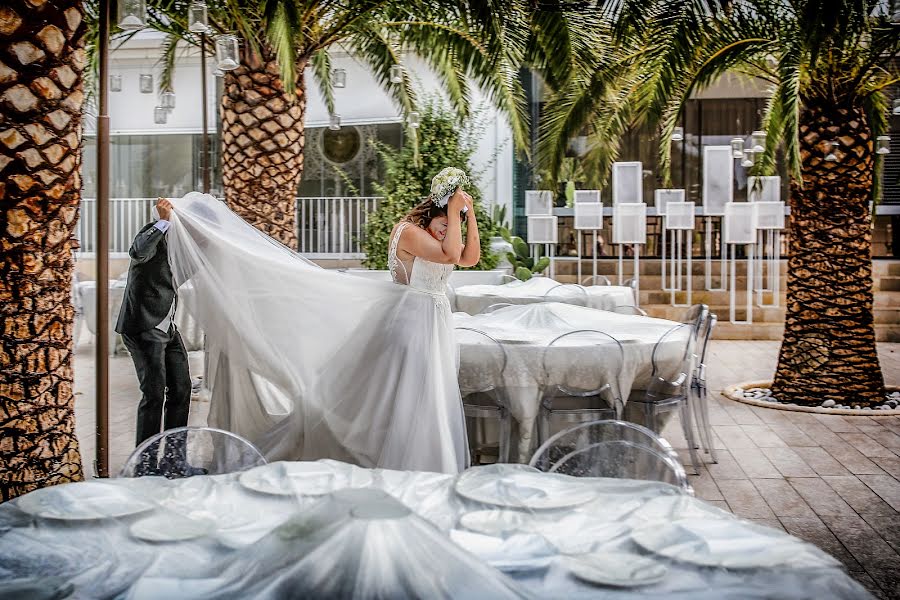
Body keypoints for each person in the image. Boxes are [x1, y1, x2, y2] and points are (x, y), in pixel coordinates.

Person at [162, 168, 481, 474]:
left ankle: (424, 459)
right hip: (411, 323)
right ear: (432, 213)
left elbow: (470, 257)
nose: (448, 231)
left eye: (453, 225)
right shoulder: (409, 233)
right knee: (407, 395)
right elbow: (453, 253)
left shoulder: (441, 234)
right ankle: (393, 461)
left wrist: (470, 214)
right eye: (445, 224)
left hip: (435, 324)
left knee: (428, 398)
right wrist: (455, 210)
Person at [115, 198, 191, 447]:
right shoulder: (153, 233)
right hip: (144, 326)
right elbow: (138, 251)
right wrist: (163, 222)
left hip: (167, 328)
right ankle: (145, 464)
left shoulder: (183, 248)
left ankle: (174, 460)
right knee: (154, 395)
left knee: (181, 390)